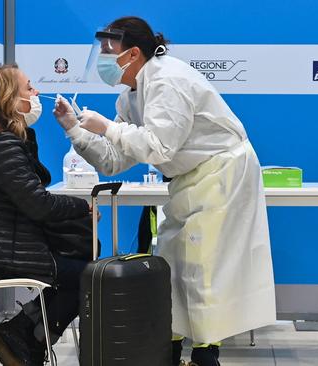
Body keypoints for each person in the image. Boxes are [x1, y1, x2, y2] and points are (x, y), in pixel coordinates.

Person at [53, 16, 276, 366]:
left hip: (221, 171)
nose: (102, 59)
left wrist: (109, 128)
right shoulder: (131, 96)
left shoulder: (167, 79)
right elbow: (115, 160)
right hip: (189, 178)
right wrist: (75, 131)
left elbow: (158, 148)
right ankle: (169, 348)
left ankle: (205, 353)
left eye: (108, 50)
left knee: (204, 266)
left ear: (134, 54)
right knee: (170, 262)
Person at [0, 65, 93, 366]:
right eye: (29, 88)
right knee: (89, 277)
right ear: (9, 100)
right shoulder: (2, 145)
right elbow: (37, 204)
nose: (36, 93)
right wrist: (83, 207)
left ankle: (23, 335)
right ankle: (26, 338)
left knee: (82, 263)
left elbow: (31, 195)